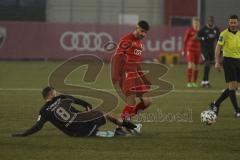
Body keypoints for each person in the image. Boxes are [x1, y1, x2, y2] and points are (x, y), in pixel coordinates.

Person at [12, 86, 141, 137]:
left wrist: (22, 134)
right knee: (107, 114)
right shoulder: (61, 98)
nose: (56, 93)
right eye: (54, 91)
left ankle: (101, 133)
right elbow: (77, 100)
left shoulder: (43, 110)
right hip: (83, 124)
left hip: (73, 133)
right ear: (51, 94)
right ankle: (132, 128)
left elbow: (37, 127)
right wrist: (87, 105)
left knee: (93, 125)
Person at [111, 20, 152, 133]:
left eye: (145, 33)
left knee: (147, 101)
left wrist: (144, 78)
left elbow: (137, 63)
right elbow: (117, 57)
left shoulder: (140, 43)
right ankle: (119, 128)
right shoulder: (126, 39)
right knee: (131, 101)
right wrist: (115, 74)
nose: (143, 34)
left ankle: (126, 121)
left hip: (135, 75)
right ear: (137, 27)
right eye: (142, 31)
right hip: (126, 74)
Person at [209, 14, 240, 117]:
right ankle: (237, 110)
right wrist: (217, 62)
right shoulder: (224, 34)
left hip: (238, 62)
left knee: (235, 87)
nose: (232, 24)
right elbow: (218, 48)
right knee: (232, 86)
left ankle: (216, 103)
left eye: (234, 22)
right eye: (231, 22)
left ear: (238, 23)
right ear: (229, 23)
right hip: (228, 61)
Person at [198, 16, 220, 88]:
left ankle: (204, 81)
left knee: (209, 65)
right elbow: (195, 37)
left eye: (212, 21)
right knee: (207, 63)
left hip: (211, 49)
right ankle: (206, 82)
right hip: (204, 49)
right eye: (209, 21)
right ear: (207, 21)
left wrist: (220, 47)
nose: (211, 22)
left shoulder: (216, 29)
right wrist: (203, 38)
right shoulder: (203, 29)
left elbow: (219, 39)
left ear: (213, 21)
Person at [183, 17, 201, 88]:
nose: (196, 23)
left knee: (196, 67)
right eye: (194, 22)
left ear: (198, 23)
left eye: (197, 22)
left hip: (198, 50)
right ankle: (189, 82)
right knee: (190, 65)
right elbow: (185, 40)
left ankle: (194, 82)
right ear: (192, 23)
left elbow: (203, 39)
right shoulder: (189, 30)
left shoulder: (200, 31)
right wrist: (183, 50)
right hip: (190, 50)